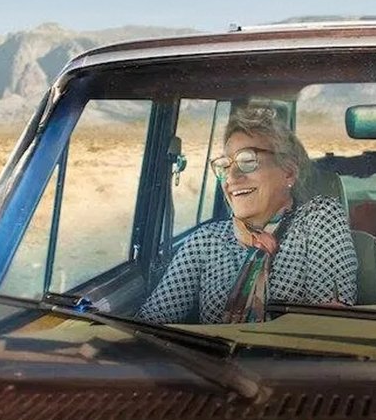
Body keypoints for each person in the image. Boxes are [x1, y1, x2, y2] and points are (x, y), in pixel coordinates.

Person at [138, 103, 357, 324]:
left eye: (248, 161)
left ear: (288, 173)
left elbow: (330, 323)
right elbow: (149, 323)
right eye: (225, 166)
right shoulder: (206, 241)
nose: (231, 177)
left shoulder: (318, 218)